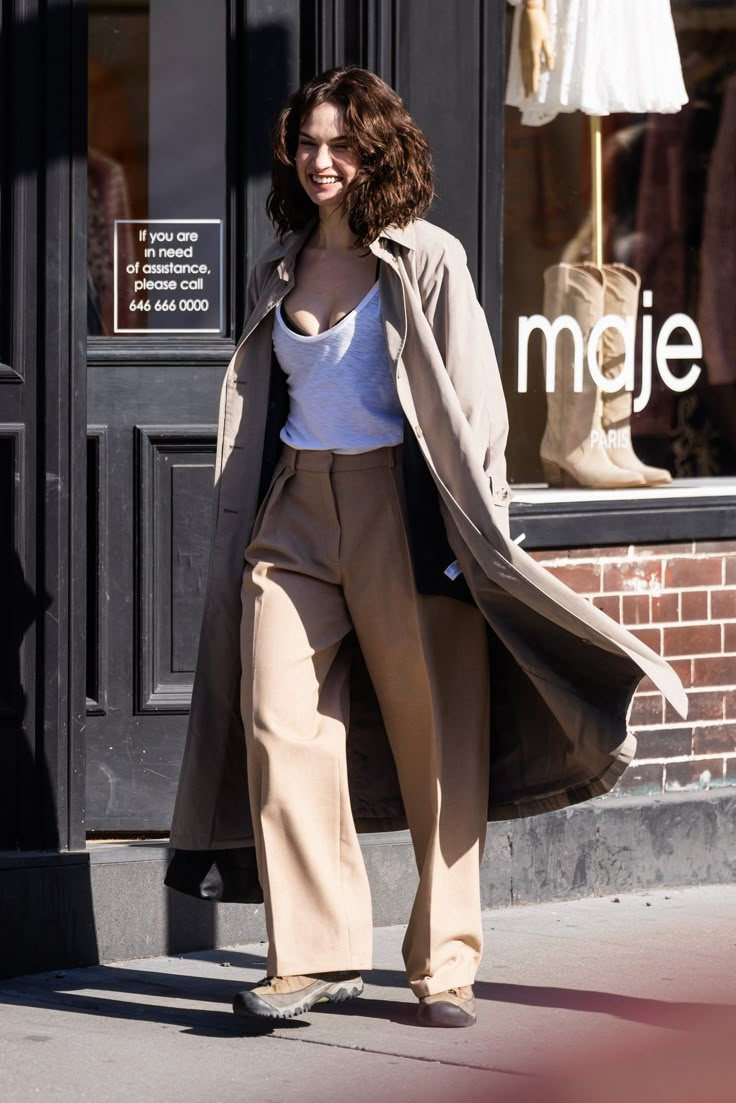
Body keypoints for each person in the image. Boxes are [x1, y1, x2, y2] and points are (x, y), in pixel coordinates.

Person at [165, 66, 686, 1029]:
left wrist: (478, 536)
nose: (322, 161)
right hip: (291, 515)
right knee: (280, 726)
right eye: (308, 144)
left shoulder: (428, 258)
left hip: (403, 512)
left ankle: (444, 962)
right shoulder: (275, 266)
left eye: (341, 144)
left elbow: (478, 413)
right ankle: (311, 958)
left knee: (437, 747)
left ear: (377, 150)